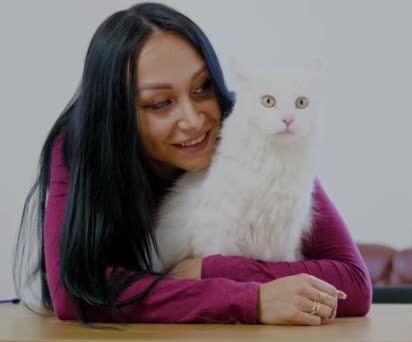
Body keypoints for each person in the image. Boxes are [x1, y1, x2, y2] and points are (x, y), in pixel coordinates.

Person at [13, 2, 371, 325]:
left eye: (202, 88)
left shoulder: (252, 124)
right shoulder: (80, 146)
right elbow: (75, 293)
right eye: (159, 103)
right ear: (117, 115)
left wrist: (208, 270)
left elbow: (353, 284)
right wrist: (250, 298)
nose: (194, 119)